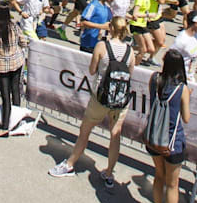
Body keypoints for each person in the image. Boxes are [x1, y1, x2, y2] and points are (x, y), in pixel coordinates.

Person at [48, 16, 135, 185]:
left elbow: (92, 69)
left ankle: (70, 163)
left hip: (100, 97)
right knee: (115, 135)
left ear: (110, 28)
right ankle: (109, 173)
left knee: (85, 131)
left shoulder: (102, 46)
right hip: (120, 99)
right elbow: (130, 73)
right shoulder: (129, 51)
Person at [147, 49, 191, 203]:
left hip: (154, 137)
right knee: (173, 184)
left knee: (158, 176)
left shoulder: (154, 80)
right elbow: (186, 118)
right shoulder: (182, 89)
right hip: (173, 141)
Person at [0, 5, 27, 137]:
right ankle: (16, 121)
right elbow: (24, 42)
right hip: (16, 61)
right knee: (15, 91)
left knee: (5, 96)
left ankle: (5, 126)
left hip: (2, 65)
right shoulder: (14, 26)